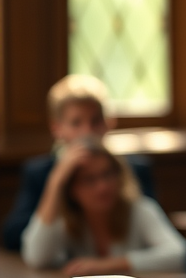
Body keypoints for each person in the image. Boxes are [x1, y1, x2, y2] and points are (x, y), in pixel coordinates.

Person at [3, 74, 155, 251]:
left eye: (95, 121)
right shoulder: (40, 173)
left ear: (108, 123)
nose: (87, 131)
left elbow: (151, 228)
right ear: (57, 128)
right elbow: (14, 237)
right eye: (76, 123)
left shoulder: (134, 169)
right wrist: (57, 181)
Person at [20, 139, 186, 275]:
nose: (103, 187)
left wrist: (110, 265)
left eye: (107, 174)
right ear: (71, 190)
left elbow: (180, 254)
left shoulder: (140, 208)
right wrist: (55, 182)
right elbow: (36, 257)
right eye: (89, 180)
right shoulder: (67, 218)